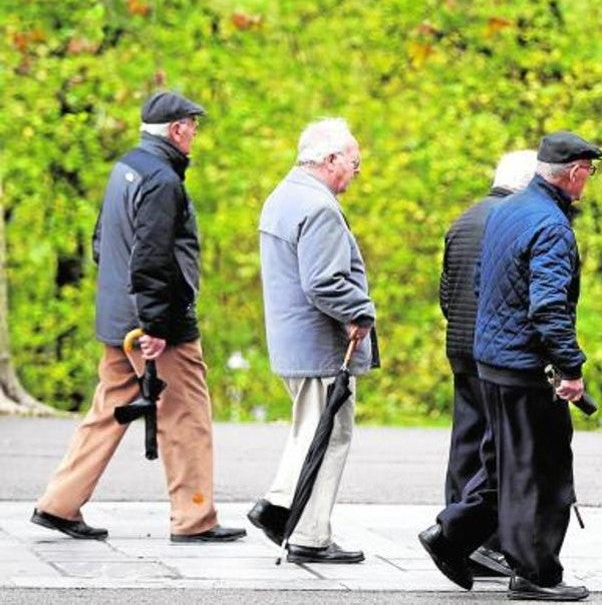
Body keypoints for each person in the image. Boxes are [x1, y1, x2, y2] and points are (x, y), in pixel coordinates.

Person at [32, 91, 246, 543]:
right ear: (175, 130)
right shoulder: (163, 181)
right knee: (186, 415)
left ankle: (59, 503)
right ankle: (194, 518)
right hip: (154, 326)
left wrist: (126, 307)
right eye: (192, 125)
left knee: (108, 410)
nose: (195, 134)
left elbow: (100, 242)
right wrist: (155, 326)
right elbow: (152, 259)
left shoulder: (125, 167)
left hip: (118, 316)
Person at [419, 131, 601, 602]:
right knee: (541, 472)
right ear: (576, 172)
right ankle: (536, 573)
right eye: (590, 171)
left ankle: (452, 536)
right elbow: (548, 308)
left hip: (492, 362)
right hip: (526, 367)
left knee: (503, 465)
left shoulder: (507, 212)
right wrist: (571, 368)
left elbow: (483, 284)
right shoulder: (552, 226)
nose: (589, 180)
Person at [247, 118, 378, 564]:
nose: (358, 171)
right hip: (319, 346)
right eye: (354, 162)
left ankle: (283, 510)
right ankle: (305, 530)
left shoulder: (282, 196)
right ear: (330, 160)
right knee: (329, 435)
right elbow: (323, 282)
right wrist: (360, 312)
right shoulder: (318, 207)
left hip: (292, 343)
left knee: (310, 431)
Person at [438, 150, 538, 579]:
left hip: (459, 344)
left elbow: (446, 289)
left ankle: (455, 535)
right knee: (500, 448)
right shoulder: (513, 222)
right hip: (494, 352)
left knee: (466, 442)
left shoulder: (463, 219)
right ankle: (484, 543)